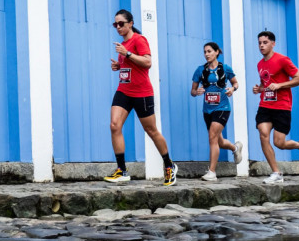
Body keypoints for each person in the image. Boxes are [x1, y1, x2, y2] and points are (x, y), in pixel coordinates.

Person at [103, 9, 177, 186]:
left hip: (141, 93)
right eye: (115, 24)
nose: (118, 27)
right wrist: (119, 66)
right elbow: (131, 67)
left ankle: (169, 165)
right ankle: (122, 170)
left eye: (121, 23)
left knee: (151, 130)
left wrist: (127, 54)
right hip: (124, 90)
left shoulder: (139, 40)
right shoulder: (123, 44)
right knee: (114, 125)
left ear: (130, 23)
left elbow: (147, 62)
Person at [252, 30, 299, 184]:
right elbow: (266, 84)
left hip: (282, 106)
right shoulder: (260, 64)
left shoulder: (283, 60)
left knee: (279, 143)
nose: (261, 46)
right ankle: (276, 173)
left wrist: (280, 85)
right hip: (265, 105)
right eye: (259, 43)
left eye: (265, 42)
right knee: (263, 134)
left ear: (273, 43)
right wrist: (260, 89)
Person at [190, 42, 243, 181]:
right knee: (219, 141)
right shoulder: (200, 70)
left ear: (216, 52)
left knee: (212, 136)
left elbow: (235, 83)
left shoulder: (225, 68)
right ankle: (235, 148)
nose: (206, 54)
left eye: (209, 51)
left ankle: (212, 172)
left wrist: (232, 89)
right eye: (205, 52)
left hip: (222, 108)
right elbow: (192, 91)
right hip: (207, 110)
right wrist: (197, 92)